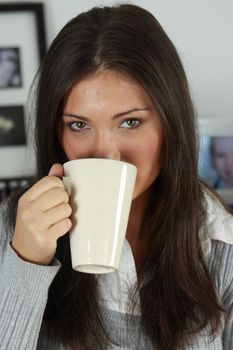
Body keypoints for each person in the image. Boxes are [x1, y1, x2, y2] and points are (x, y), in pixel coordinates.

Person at [0, 4, 233, 350]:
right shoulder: (14, 231)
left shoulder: (220, 247)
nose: (107, 155)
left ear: (171, 123)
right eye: (78, 125)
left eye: (130, 122)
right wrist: (26, 265)